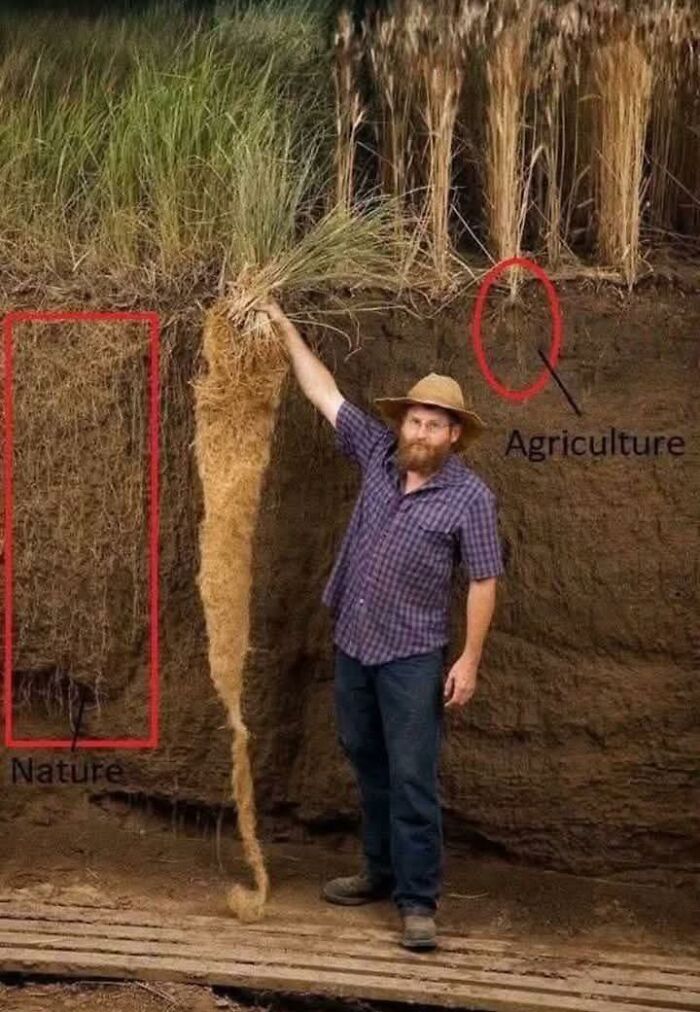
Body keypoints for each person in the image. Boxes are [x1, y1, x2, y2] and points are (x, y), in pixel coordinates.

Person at [258, 298, 504, 952]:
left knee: (413, 775)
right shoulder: (376, 452)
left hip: (414, 657)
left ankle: (418, 902)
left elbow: (484, 579)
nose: (420, 433)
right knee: (365, 759)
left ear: (454, 435)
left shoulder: (471, 499)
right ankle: (377, 869)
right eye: (415, 420)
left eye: (434, 426)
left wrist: (470, 659)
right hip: (354, 645)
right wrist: (284, 329)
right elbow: (323, 391)